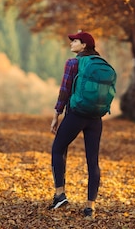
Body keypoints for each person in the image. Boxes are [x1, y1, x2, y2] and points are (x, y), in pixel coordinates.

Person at [48, 31, 104, 218]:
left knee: (58, 148)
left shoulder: (73, 63)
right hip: (95, 117)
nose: (71, 43)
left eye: (75, 41)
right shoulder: (100, 64)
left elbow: (64, 90)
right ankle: (90, 206)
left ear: (84, 45)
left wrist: (57, 113)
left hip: (76, 114)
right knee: (92, 160)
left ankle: (59, 194)